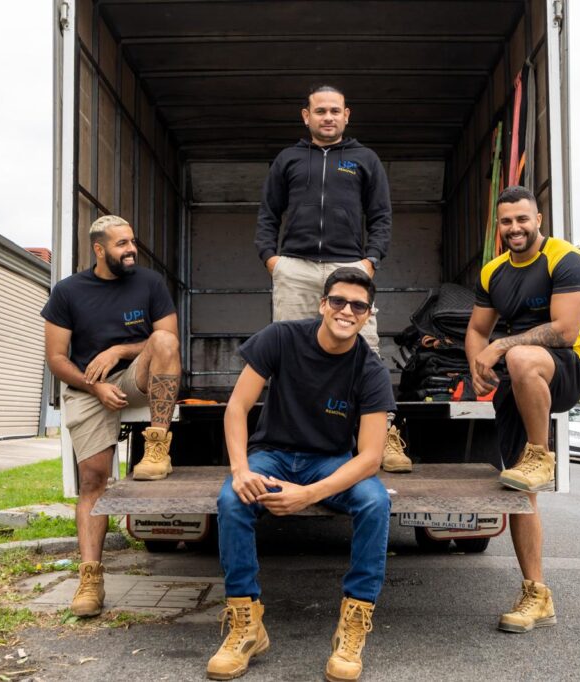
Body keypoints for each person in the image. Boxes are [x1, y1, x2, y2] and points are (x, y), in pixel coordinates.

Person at [206, 267, 394, 682]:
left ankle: (353, 624)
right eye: (339, 301)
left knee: (375, 501)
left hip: (329, 461)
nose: (347, 311)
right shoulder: (281, 338)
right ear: (322, 304)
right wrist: (240, 470)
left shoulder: (370, 369)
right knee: (231, 500)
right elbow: (237, 408)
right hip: (271, 454)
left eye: (358, 306)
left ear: (368, 315)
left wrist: (308, 494)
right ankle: (246, 623)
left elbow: (370, 457)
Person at [254, 83, 410, 474]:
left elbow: (381, 217)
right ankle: (285, 438)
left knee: (367, 350)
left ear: (346, 115)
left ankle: (385, 436)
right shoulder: (288, 159)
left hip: (350, 269)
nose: (328, 117)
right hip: (295, 266)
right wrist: (273, 260)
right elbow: (268, 215)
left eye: (334, 111)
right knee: (288, 353)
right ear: (306, 116)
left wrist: (370, 262)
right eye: (320, 111)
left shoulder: (364, 159)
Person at [42, 214, 181, 617]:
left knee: (164, 340)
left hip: (137, 374)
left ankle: (156, 447)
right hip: (89, 384)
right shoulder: (68, 292)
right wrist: (95, 386)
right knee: (93, 480)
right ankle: (90, 579)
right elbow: (55, 358)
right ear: (99, 249)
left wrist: (120, 351)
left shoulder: (150, 283)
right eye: (122, 244)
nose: (131, 249)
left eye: (132, 241)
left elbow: (166, 340)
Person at [464, 186, 580, 633]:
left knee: (519, 356)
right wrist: (477, 362)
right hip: (517, 382)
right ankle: (536, 593)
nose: (515, 228)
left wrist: (500, 346)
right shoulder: (493, 271)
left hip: (564, 369)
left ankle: (542, 453)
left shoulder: (563, 258)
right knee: (519, 489)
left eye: (522, 219)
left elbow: (565, 328)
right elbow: (478, 329)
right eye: (506, 221)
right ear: (499, 227)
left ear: (538, 219)